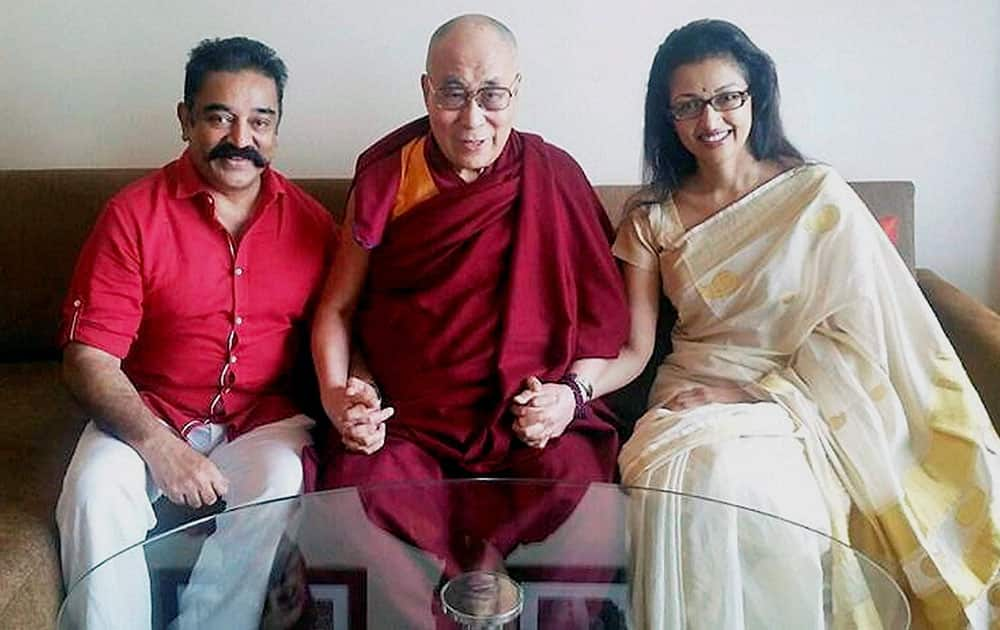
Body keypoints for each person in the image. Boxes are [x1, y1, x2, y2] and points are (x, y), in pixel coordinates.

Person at [538, 18, 999, 629]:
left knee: (752, 492)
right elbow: (633, 348)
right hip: (687, 399)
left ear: (755, 94)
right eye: (689, 105)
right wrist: (571, 392)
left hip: (793, 403)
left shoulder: (815, 197)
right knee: (682, 478)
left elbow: (864, 336)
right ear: (667, 117)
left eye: (727, 97)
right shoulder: (651, 217)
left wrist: (754, 392)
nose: (711, 121)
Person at [309, 13, 628, 578]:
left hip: (528, 425)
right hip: (407, 424)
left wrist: (566, 399)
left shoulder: (554, 177)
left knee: (584, 504)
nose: (473, 119)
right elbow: (337, 309)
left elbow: (609, 326)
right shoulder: (389, 180)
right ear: (427, 91)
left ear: (518, 92)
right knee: (360, 501)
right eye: (453, 93)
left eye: (492, 94)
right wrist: (341, 399)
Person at [55, 37, 335, 629]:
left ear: (277, 129)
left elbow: (343, 331)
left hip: (263, 418)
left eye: (260, 121)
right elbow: (88, 359)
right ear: (185, 121)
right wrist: (161, 447)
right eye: (219, 117)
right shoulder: (132, 216)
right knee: (93, 490)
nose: (242, 139)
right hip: (148, 414)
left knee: (281, 478)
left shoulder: (313, 224)